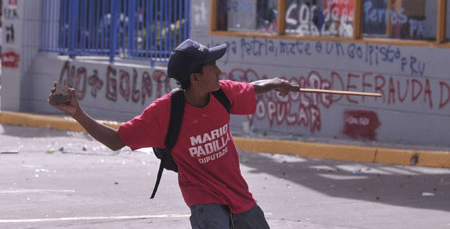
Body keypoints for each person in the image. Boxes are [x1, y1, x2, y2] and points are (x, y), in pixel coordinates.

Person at [49, 39, 300, 229]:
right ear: (195, 77)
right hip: (203, 196)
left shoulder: (222, 93)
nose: (220, 73)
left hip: (238, 193)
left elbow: (252, 88)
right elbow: (116, 141)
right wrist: (78, 113)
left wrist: (276, 83)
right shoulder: (164, 112)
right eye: (213, 68)